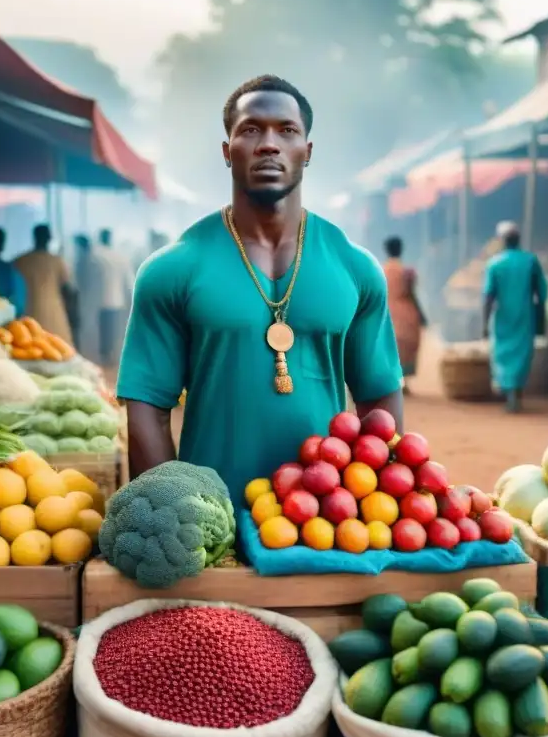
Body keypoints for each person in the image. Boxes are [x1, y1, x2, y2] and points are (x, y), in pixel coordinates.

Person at [117, 74, 404, 504]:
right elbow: (146, 408)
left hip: (324, 520)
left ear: (306, 152)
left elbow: (379, 398)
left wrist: (367, 507)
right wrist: (181, 513)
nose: (269, 143)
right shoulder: (173, 269)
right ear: (227, 151)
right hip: (215, 519)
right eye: (251, 129)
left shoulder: (355, 267)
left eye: (286, 131)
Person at [483, 221, 547, 414]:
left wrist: (485, 323)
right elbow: (541, 293)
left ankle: (509, 392)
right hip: (525, 316)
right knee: (521, 354)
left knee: (502, 354)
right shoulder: (530, 260)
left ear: (502, 241)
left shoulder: (495, 263)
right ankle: (515, 394)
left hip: (502, 316)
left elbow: (488, 296)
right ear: (519, 239)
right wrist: (542, 320)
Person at [13, 224, 76, 345]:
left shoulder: (20, 261)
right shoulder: (57, 261)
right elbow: (67, 289)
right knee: (58, 350)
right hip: (54, 315)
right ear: (49, 238)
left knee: (30, 349)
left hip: (28, 313)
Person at [382, 236, 425, 391]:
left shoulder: (380, 269)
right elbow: (412, 294)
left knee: (389, 345)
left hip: (386, 311)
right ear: (400, 249)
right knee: (406, 346)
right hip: (406, 312)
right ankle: (403, 381)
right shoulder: (406, 271)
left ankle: (392, 381)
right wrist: (422, 315)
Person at [96, 229, 135, 368]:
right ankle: (112, 358)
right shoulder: (120, 257)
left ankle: (106, 358)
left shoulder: (96, 256)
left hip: (99, 301)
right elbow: (130, 282)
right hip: (117, 301)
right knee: (115, 332)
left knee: (104, 332)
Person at [73, 234, 99, 361]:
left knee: (86, 329)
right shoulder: (89, 259)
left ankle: (89, 357)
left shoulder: (85, 260)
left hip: (85, 299)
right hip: (87, 299)